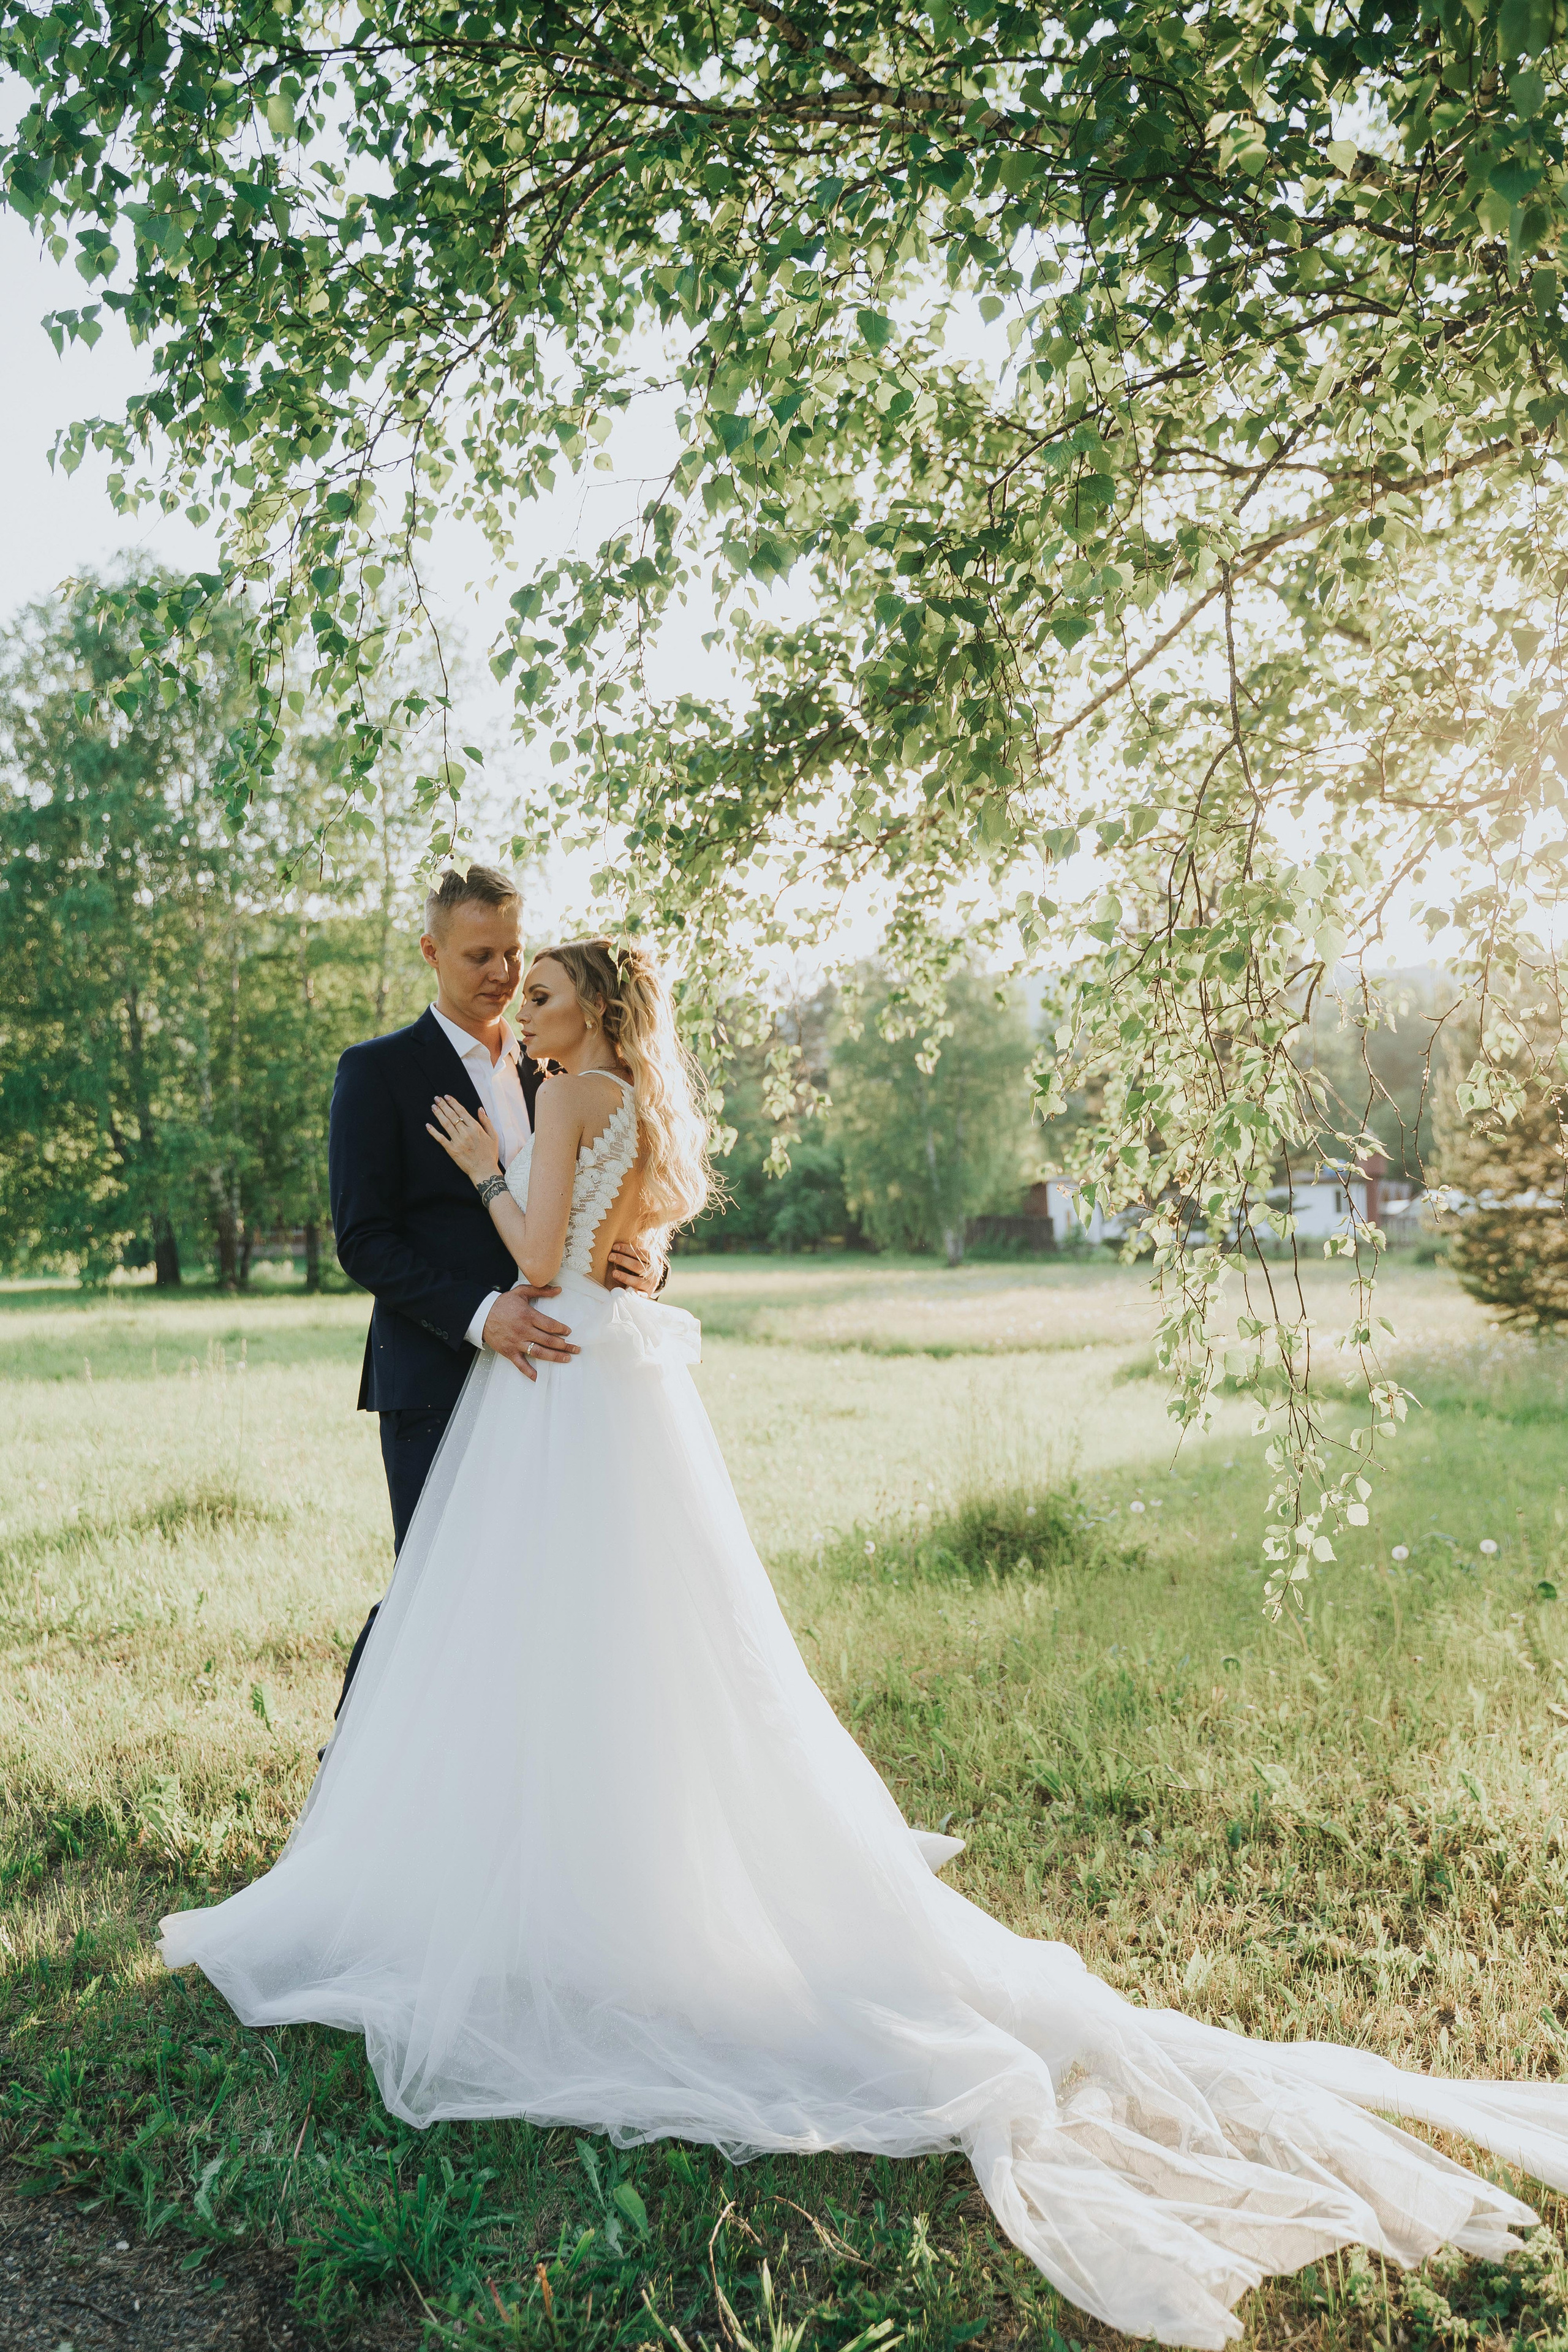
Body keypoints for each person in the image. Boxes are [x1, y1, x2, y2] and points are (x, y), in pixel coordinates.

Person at [161, 936, 1568, 2351]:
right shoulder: (623, 1102)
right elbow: (621, 1245)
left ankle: (555, 1886)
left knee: (545, 1638)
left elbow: (541, 1257)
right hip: (603, 1375)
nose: (515, 1013)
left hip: (566, 1376)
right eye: (513, 994)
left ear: (594, 1010)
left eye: (539, 995)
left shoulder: (575, 1099)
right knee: (619, 1647)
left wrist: (479, 1155)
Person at [324, 865, 656, 1716]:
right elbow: (363, 1241)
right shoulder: (377, 1071)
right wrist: (483, 1317)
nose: (504, 974)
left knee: (554, 1595)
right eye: (479, 955)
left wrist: (648, 1264)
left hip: (563, 1379)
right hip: (437, 1373)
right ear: (432, 951)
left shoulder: (561, 1065)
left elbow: (612, 1204)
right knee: (438, 1590)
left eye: (513, 952)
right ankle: (357, 1773)